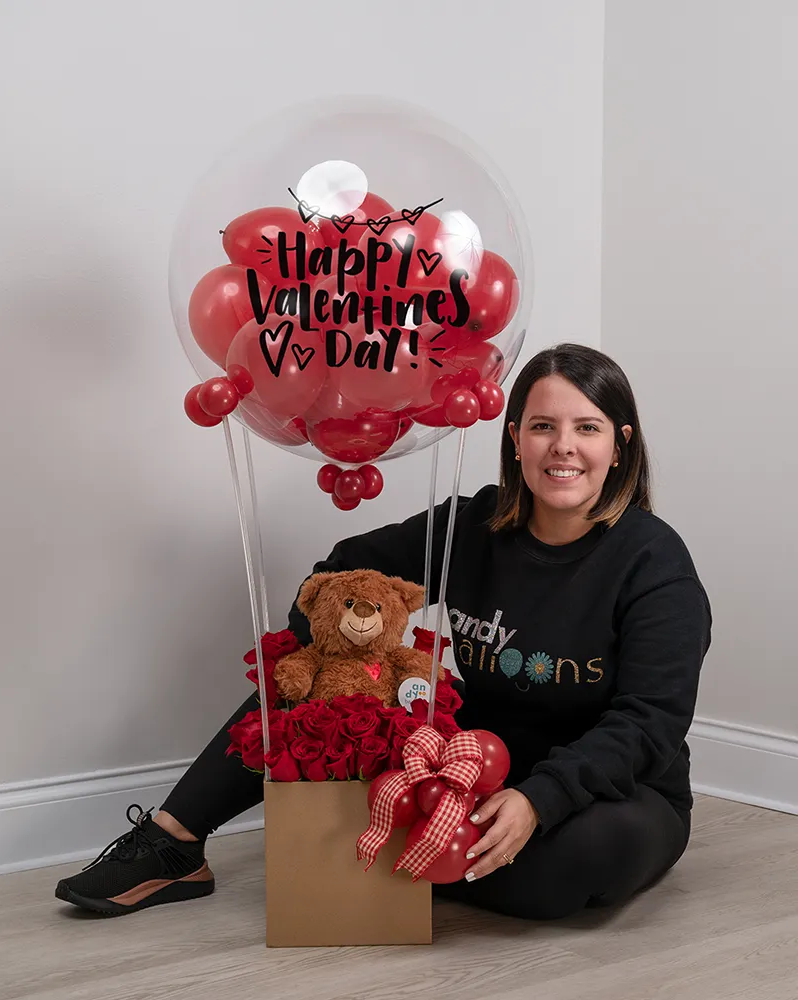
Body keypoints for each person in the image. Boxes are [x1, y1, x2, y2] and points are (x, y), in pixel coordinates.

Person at [55, 343, 711, 920]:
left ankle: (365, 853)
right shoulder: (476, 525)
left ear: (619, 443)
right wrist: (329, 660)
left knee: (565, 869)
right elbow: (345, 569)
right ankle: (173, 843)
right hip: (469, 765)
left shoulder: (654, 563)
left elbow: (648, 723)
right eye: (543, 426)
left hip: (614, 788)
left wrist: (539, 800)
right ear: (515, 438)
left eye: (586, 428)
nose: (563, 446)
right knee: (324, 672)